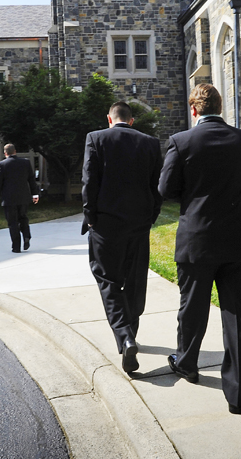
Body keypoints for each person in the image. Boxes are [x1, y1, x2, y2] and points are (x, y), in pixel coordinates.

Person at [157, 83, 241, 415]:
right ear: (221, 106)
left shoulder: (181, 142)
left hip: (197, 241)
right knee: (240, 316)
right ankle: (237, 392)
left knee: (192, 307)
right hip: (239, 240)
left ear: (194, 110)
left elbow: (165, 188)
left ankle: (187, 363)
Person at [82, 101, 163, 373]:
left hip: (105, 224)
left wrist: (90, 215)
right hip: (139, 224)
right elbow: (157, 186)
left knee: (108, 279)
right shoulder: (150, 143)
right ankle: (132, 334)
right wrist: (150, 217)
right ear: (131, 120)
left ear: (109, 118)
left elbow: (89, 181)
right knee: (135, 280)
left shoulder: (96, 139)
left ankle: (125, 336)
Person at [0, 144, 40, 253]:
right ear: (15, 151)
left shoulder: (2, 164)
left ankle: (16, 247)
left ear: (5, 153)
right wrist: (35, 194)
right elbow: (31, 179)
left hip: (9, 199)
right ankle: (26, 236)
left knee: (12, 222)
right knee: (23, 217)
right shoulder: (25, 162)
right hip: (24, 196)